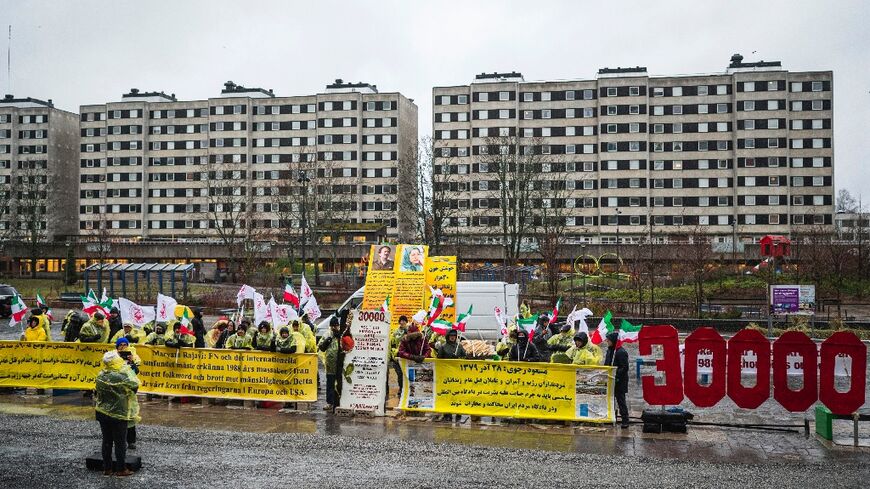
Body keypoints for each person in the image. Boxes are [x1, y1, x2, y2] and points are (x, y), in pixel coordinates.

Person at [94, 350, 139, 477]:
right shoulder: (122, 375)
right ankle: (121, 469)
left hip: (102, 412)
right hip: (119, 413)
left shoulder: (100, 374)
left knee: (106, 441)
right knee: (120, 442)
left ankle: (107, 468)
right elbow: (135, 387)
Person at [605, 331, 630, 428]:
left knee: (621, 400)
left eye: (609, 340)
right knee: (610, 400)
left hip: (619, 381)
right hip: (610, 379)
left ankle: (625, 420)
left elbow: (624, 368)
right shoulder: (609, 350)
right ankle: (611, 417)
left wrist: (615, 374)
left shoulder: (621, 352)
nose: (607, 341)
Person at [318, 317, 342, 410]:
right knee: (330, 383)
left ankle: (339, 401)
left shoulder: (341, 334)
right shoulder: (327, 334)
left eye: (336, 325)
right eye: (333, 326)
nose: (335, 328)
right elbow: (321, 347)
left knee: (339, 383)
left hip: (340, 363)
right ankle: (330, 402)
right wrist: (327, 341)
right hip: (330, 363)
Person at [388, 316, 408, 402]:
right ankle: (401, 388)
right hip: (397, 357)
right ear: (399, 322)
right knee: (399, 374)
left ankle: (407, 389)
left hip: (407, 357)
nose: (402, 322)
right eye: (401, 321)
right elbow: (392, 344)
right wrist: (393, 354)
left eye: (404, 321)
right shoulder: (395, 332)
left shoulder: (409, 331)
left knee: (406, 374)